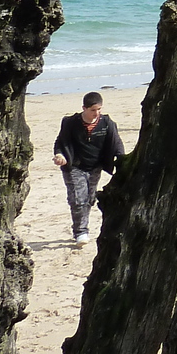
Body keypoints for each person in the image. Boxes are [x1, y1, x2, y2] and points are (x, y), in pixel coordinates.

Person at [53, 91, 124, 245]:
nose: (96, 113)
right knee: (78, 199)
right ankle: (81, 232)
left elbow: (116, 142)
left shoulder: (107, 123)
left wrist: (121, 159)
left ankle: (82, 226)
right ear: (84, 108)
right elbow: (60, 142)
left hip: (95, 167)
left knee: (89, 199)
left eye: (99, 109)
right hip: (74, 166)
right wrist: (60, 155)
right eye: (93, 110)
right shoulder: (70, 123)